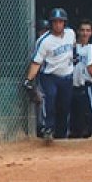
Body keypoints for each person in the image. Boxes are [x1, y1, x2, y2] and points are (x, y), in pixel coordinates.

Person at [24, 7, 75, 140]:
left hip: (67, 76)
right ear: (51, 23)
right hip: (50, 76)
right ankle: (48, 129)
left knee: (65, 106)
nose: (58, 24)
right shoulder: (44, 41)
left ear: (65, 23)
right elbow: (36, 62)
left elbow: (73, 49)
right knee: (50, 100)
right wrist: (29, 79)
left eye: (60, 22)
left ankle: (62, 134)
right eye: (55, 22)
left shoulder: (71, 34)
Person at [68, 20, 92, 138]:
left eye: (88, 30)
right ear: (78, 32)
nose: (85, 33)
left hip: (87, 84)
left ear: (91, 32)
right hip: (71, 84)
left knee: (89, 112)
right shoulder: (72, 47)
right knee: (71, 113)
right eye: (83, 30)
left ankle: (90, 135)